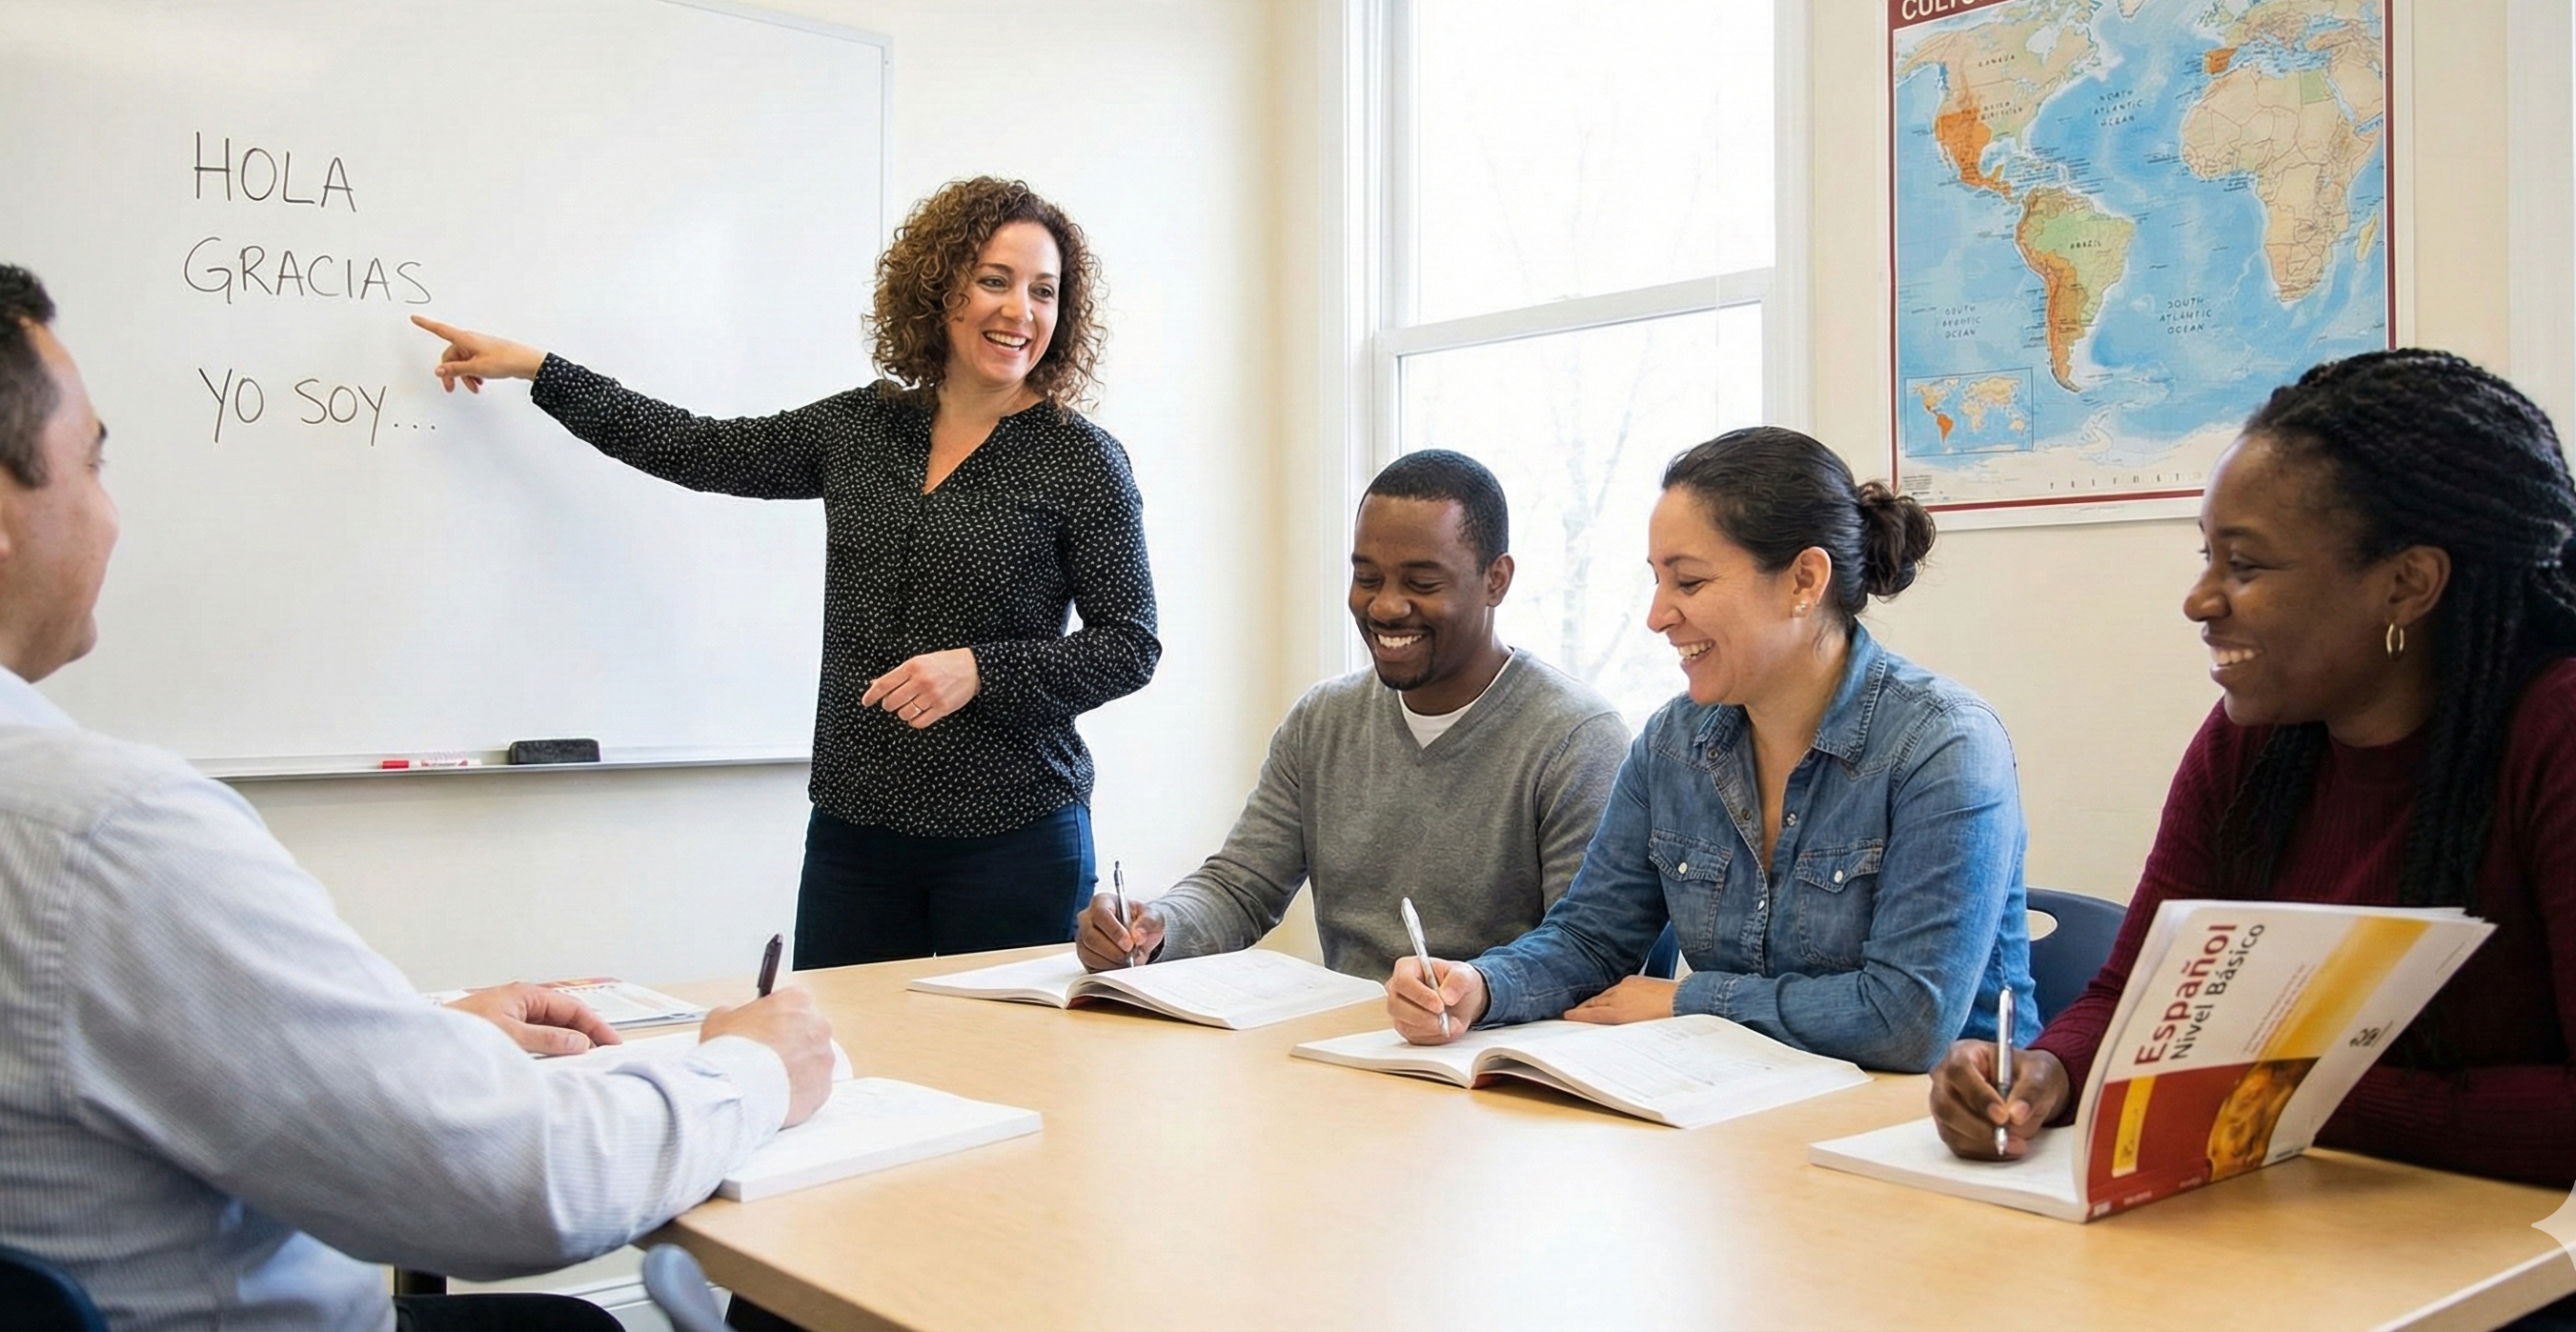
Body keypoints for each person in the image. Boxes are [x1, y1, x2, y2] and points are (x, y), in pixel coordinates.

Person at [0, 265, 839, 1332]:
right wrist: (752, 1067)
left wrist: (402, 1041)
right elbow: (514, 1189)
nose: (112, 515)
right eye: (93, 465)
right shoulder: (101, 839)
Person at [1928, 350, 2576, 1329]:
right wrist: (2051, 1071)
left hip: (2566, 1289)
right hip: (2314, 1249)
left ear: (2405, 585)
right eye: (2204, 558)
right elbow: (2128, 995)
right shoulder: (2255, 742)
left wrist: (2256, 1089)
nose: (2200, 600)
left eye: (2243, 565)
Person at [416, 176, 1160, 969]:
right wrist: (542, 370)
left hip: (1015, 838)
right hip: (856, 835)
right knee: (846, 1072)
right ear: (940, 289)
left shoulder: (1082, 461)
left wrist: (980, 669)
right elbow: (697, 448)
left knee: (1003, 1075)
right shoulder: (862, 428)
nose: (1020, 311)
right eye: (994, 281)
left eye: (1044, 291)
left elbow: (1130, 645)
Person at [1384, 427, 2038, 1071]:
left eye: (1689, 583)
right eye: (1657, 582)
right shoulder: (1673, 743)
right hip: (1742, 1111)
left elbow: (1906, 1021)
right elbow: (1591, 938)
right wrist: (1481, 986)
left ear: (1804, 581)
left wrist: (1690, 1001)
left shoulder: (1944, 744)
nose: (1657, 615)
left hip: (1936, 1132)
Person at [1074, 451, 1629, 979]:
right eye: (1367, 577)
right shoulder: (1323, 721)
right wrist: (1154, 929)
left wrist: (1474, 992)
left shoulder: (1575, 738)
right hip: (1346, 1044)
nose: (1385, 606)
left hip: (1489, 1051)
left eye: (1422, 583)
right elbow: (1241, 888)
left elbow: (1583, 949)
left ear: (1496, 580)